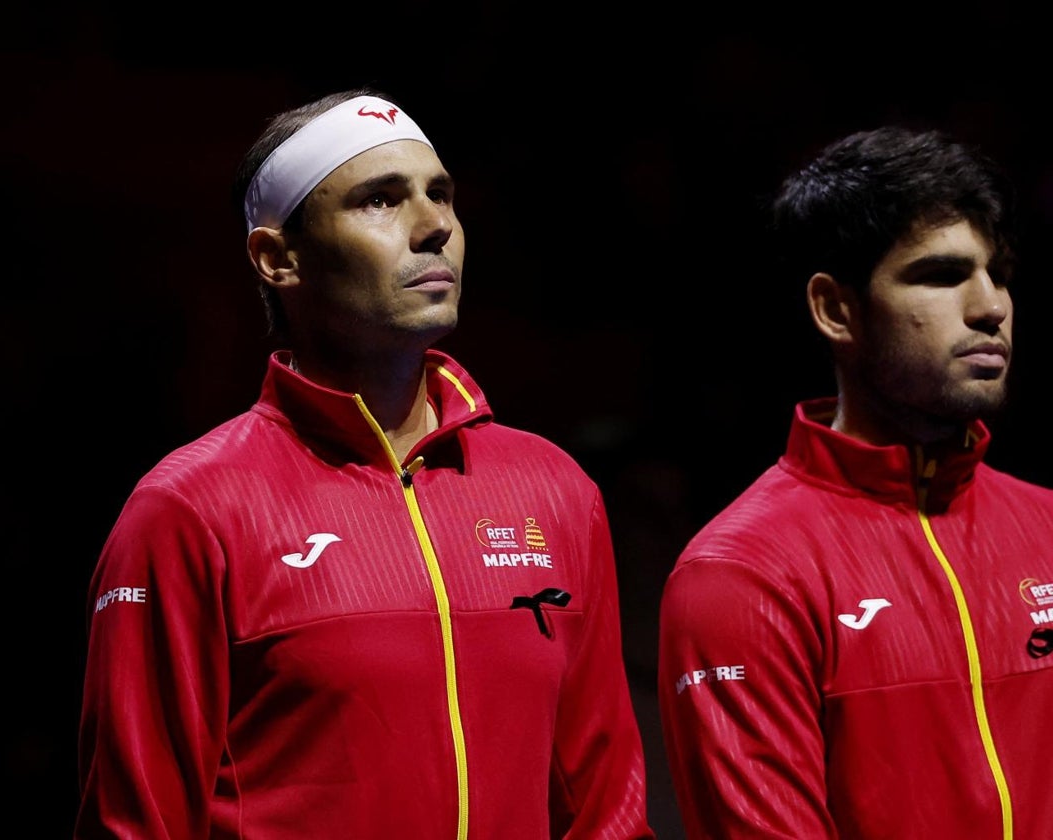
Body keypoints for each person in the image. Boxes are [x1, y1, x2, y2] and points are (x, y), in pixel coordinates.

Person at [74, 86, 656, 839]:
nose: (434, 226)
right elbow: (135, 824)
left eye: (440, 194)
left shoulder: (553, 490)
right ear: (279, 258)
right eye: (381, 201)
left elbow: (606, 806)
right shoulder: (190, 510)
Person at [657, 124, 1053, 839]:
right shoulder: (741, 577)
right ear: (836, 309)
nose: (991, 306)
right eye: (941, 275)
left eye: (999, 274)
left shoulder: (1048, 529)